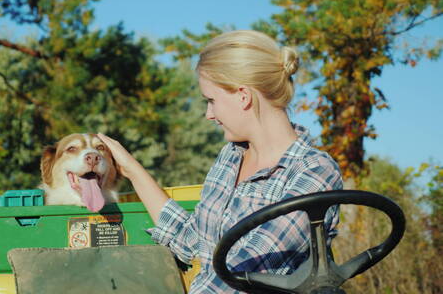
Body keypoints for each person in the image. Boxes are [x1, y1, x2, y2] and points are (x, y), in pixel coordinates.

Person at [98, 30, 342, 293]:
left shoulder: (315, 173)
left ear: (243, 95)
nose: (208, 114)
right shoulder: (231, 157)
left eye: (211, 100)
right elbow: (192, 241)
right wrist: (132, 169)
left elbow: (246, 274)